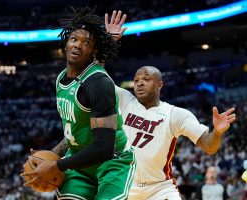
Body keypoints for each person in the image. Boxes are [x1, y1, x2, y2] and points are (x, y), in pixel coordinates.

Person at [20, 7, 136, 200]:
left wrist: (56, 165)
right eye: (74, 39)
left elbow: (103, 148)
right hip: (79, 161)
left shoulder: (99, 84)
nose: (77, 45)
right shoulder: (61, 79)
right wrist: (50, 154)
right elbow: (73, 132)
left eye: (86, 42)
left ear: (93, 50)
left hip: (112, 162)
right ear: (65, 43)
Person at [115, 66, 236, 200]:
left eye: (146, 79)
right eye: (136, 80)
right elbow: (96, 79)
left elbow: (209, 146)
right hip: (124, 185)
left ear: (159, 84)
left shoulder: (175, 114)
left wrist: (217, 132)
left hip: (159, 189)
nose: (140, 83)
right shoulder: (125, 99)